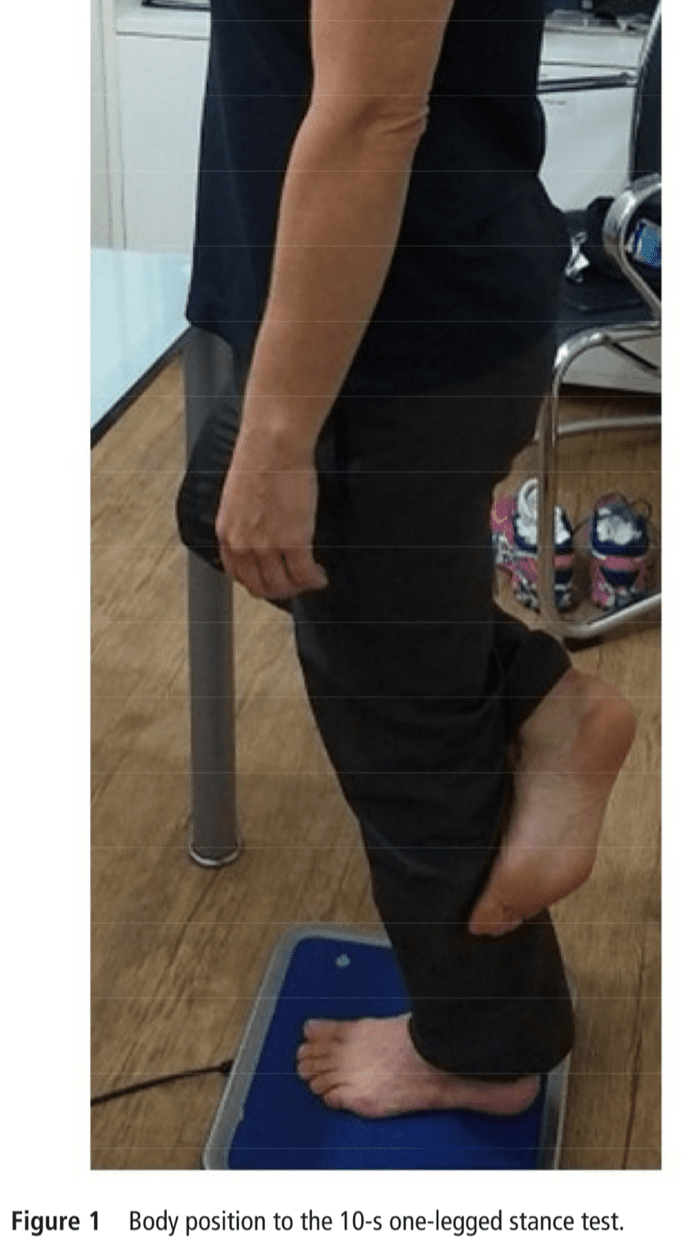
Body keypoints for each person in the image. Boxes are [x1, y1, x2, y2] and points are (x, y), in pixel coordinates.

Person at [186, 0, 636, 1119]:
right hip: (367, 304)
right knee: (222, 515)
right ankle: (544, 699)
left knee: (401, 719)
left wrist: (282, 439)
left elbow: (374, 115)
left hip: (392, 330)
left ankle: (482, 1055)